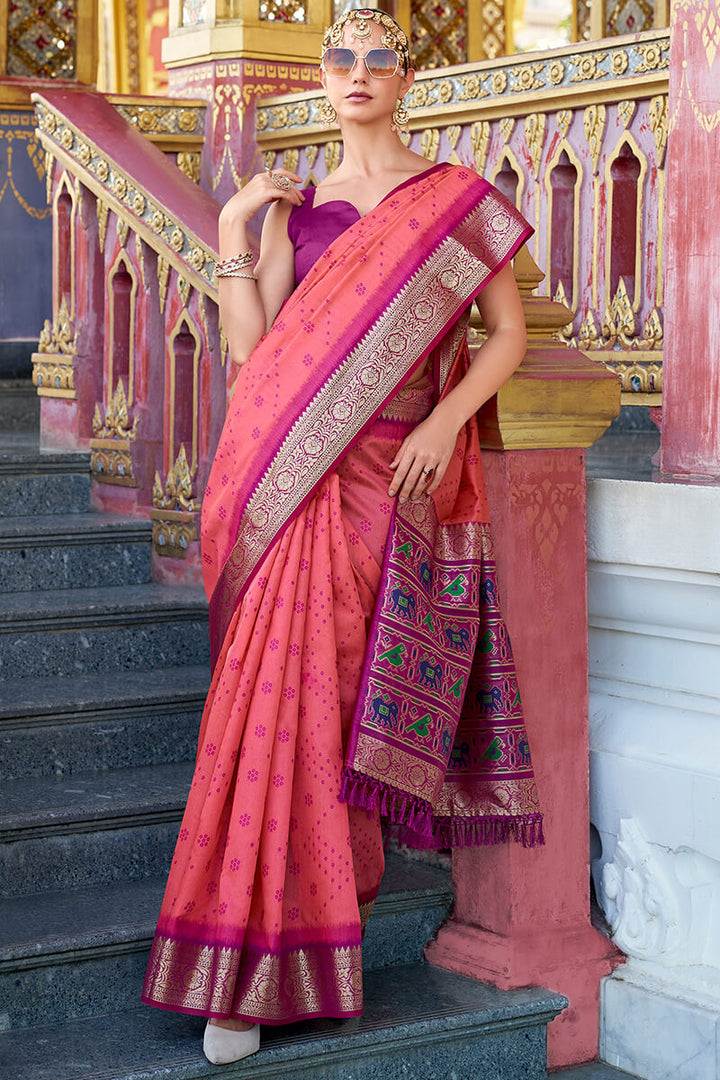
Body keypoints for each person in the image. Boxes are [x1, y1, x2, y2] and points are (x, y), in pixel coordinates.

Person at [142, 8, 543, 1066]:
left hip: (389, 478)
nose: (357, 73)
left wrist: (451, 420)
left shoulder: (454, 204)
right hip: (288, 482)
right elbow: (253, 353)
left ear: (406, 78)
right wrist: (234, 230)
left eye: (377, 58)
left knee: (330, 707)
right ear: (322, 80)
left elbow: (505, 334)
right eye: (340, 58)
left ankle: (314, 937)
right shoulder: (300, 209)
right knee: (276, 703)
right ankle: (250, 964)